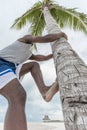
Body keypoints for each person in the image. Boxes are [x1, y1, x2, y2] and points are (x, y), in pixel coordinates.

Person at [0, 32, 67, 130]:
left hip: (11, 67)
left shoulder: (28, 54)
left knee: (34, 65)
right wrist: (60, 34)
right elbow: (45, 38)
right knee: (17, 96)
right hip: (2, 63)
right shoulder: (25, 39)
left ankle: (44, 91)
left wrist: (53, 54)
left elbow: (41, 58)